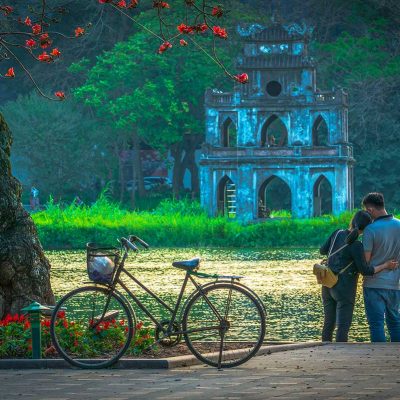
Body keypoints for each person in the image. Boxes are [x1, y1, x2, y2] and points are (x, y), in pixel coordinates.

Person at [319, 210, 397, 342]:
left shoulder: (337, 233)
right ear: (367, 228)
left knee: (328, 323)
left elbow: (322, 250)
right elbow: (366, 270)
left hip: (328, 283)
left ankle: (324, 353)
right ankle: (340, 354)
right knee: (343, 326)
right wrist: (385, 265)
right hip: (344, 288)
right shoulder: (356, 245)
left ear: (353, 220)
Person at [362, 192, 400, 342]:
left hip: (373, 284)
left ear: (370, 209)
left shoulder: (370, 230)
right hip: (395, 284)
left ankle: (378, 357)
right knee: (395, 323)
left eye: (366, 210)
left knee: (376, 324)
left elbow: (366, 261)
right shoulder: (399, 225)